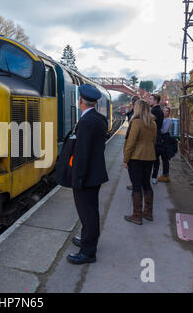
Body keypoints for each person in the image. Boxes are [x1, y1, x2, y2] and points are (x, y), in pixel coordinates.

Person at [67, 84, 109, 265]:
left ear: (80, 101)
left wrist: (78, 178)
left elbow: (82, 154)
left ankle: (88, 252)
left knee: (87, 214)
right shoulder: (100, 119)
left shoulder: (85, 122)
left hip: (86, 176)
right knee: (90, 211)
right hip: (95, 173)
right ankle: (87, 240)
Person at [123, 100, 157, 224]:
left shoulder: (136, 122)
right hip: (150, 156)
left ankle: (137, 216)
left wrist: (126, 159)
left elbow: (130, 143)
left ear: (138, 109)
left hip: (136, 157)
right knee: (146, 184)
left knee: (136, 185)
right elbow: (154, 141)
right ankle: (148, 213)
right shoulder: (153, 123)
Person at [149, 94, 164, 184]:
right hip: (158, 136)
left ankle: (151, 176)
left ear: (155, 101)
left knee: (152, 158)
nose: (149, 100)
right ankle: (154, 176)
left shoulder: (153, 111)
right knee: (156, 158)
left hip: (153, 136)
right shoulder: (160, 111)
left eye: (150, 99)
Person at [155, 107, 172, 182]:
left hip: (165, 139)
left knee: (165, 158)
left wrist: (157, 129)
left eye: (167, 111)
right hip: (161, 139)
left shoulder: (168, 120)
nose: (165, 112)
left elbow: (164, 131)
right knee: (160, 157)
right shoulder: (162, 119)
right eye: (164, 111)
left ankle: (165, 175)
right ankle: (163, 174)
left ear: (169, 113)